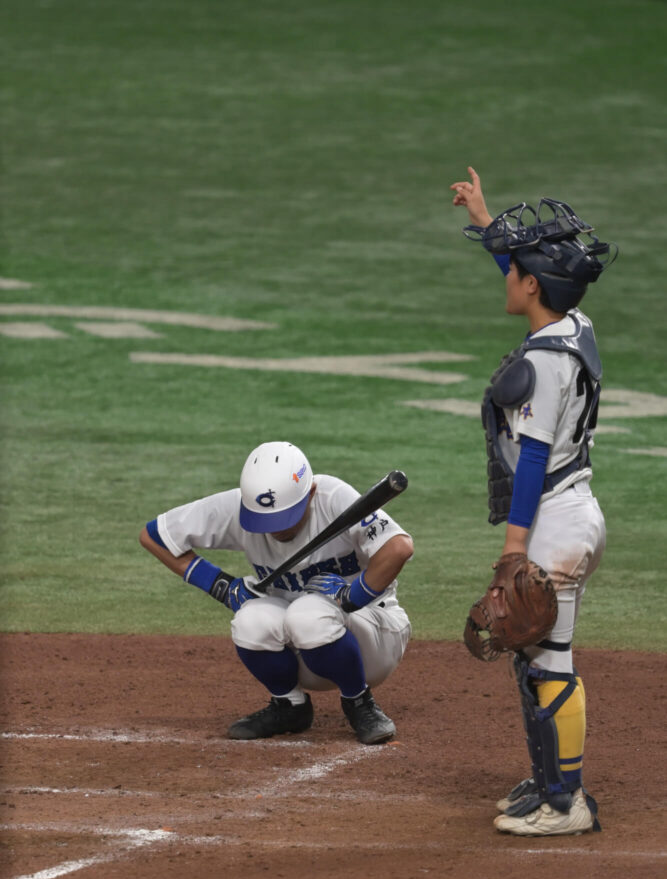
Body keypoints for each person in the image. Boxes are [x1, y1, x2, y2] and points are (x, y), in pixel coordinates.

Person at [451, 167, 617, 836]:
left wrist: (513, 545)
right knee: (530, 659)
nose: (506, 275)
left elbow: (533, 460)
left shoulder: (544, 366)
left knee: (549, 664)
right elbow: (530, 272)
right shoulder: (572, 326)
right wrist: (488, 220)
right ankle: (548, 781)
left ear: (531, 288)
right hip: (573, 512)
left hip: (551, 523)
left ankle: (566, 802)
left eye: (513, 269)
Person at [139, 441, 413, 745]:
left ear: (309, 494)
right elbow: (155, 535)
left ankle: (359, 702)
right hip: (303, 647)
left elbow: (398, 547)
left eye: (285, 517)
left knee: (308, 614)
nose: (275, 530)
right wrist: (222, 586)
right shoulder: (240, 506)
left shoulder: (333, 498)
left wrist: (352, 595)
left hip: (372, 637)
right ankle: (289, 706)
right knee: (250, 620)